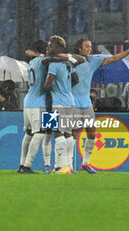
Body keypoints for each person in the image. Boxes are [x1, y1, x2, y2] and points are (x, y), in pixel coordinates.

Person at [70, 38, 129, 174]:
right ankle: (68, 164)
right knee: (73, 134)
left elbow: (113, 58)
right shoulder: (70, 61)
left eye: (90, 46)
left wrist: (128, 52)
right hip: (73, 102)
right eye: (87, 46)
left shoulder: (93, 61)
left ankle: (85, 163)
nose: (90, 49)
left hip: (86, 103)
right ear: (79, 48)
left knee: (92, 133)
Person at [19, 39, 85, 174]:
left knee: (33, 133)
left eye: (50, 47)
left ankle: (30, 164)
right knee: (47, 133)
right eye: (47, 47)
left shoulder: (31, 63)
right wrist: (61, 88)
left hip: (29, 101)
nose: (48, 50)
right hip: (41, 103)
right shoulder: (45, 61)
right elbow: (75, 74)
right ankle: (30, 166)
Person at [44, 35, 75, 175]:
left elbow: (47, 84)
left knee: (58, 132)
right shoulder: (68, 63)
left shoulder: (54, 64)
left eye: (50, 46)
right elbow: (76, 79)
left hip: (59, 102)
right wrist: (65, 87)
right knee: (68, 133)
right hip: (70, 100)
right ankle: (69, 166)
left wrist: (50, 88)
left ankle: (62, 168)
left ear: (58, 48)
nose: (48, 48)